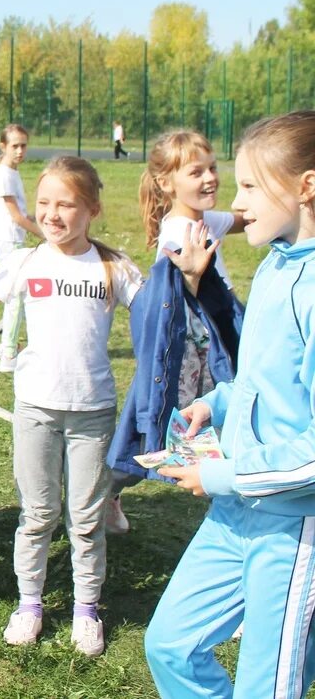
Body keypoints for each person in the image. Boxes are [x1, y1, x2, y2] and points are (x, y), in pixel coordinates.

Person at [0, 156, 210, 657]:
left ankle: (85, 610)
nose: (51, 214)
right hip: (35, 411)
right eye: (44, 203)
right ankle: (29, 603)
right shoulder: (25, 262)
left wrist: (193, 278)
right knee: (38, 513)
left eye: (65, 204)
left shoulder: (114, 267)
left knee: (86, 518)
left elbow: (165, 316)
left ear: (91, 209)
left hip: (92, 413)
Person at [145, 111, 315, 698]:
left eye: (248, 185)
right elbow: (265, 376)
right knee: (169, 644)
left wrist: (222, 474)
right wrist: (217, 403)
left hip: (292, 529)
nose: (235, 203)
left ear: (306, 187)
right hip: (234, 511)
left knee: (264, 687)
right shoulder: (276, 263)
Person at [105, 130, 248, 533]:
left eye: (213, 168)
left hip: (212, 342)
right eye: (196, 171)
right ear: (167, 183)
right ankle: (105, 491)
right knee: (164, 431)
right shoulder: (178, 232)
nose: (210, 178)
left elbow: (246, 218)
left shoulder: (207, 219)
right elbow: (176, 298)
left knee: (199, 429)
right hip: (185, 350)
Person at [0, 124, 38, 373]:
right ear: (3, 146)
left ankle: (4, 345)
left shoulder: (12, 172)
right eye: (14, 146)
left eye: (23, 145)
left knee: (15, 291)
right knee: (17, 293)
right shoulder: (4, 174)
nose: (19, 151)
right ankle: (8, 353)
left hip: (12, 237)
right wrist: (47, 236)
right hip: (7, 238)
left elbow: (25, 214)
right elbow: (17, 217)